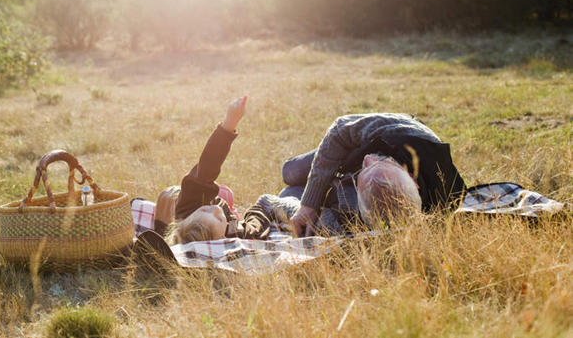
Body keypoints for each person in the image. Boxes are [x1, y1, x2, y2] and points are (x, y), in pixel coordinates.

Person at [282, 113, 466, 237]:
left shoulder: (441, 204)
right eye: (381, 163)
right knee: (291, 172)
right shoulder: (394, 132)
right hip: (353, 145)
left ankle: (332, 184)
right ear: (412, 177)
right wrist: (308, 204)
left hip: (357, 177)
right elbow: (339, 129)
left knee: (287, 194)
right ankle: (319, 184)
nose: (369, 159)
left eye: (370, 167)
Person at [155, 96, 303, 244]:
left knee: (219, 193)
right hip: (267, 205)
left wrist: (229, 123)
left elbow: (208, 165)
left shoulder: (189, 207)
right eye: (219, 219)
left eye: (205, 210)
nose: (216, 210)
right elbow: (259, 215)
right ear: (220, 241)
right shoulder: (236, 236)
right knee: (294, 198)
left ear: (185, 221)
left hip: (184, 199)